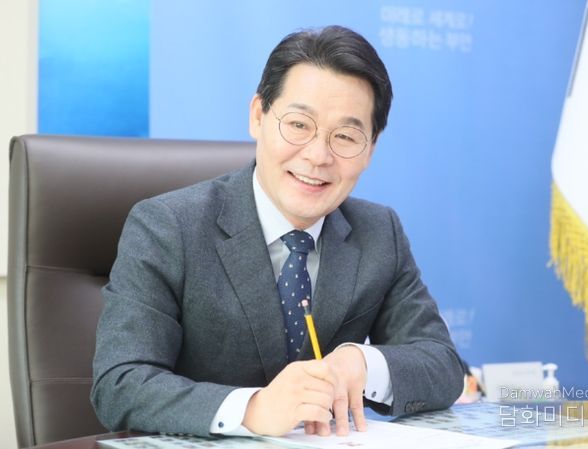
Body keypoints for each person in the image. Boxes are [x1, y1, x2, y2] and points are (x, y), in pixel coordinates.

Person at [91, 25, 464, 438]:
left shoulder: (378, 232)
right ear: (258, 116)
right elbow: (120, 384)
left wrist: (362, 363)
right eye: (299, 125)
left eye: (345, 136)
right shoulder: (168, 227)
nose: (318, 156)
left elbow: (444, 366)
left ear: (371, 148)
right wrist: (252, 409)